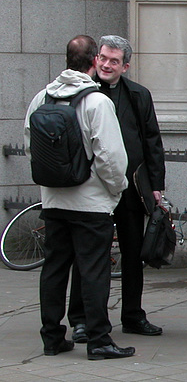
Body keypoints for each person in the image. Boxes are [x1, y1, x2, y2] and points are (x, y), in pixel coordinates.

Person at [24, 35, 135, 360]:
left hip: (54, 201)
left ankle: (52, 337)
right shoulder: (97, 102)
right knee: (93, 271)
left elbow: (32, 145)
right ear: (92, 63)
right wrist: (113, 192)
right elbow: (112, 158)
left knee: (54, 269)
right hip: (91, 204)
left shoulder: (42, 97)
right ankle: (100, 340)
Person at [68, 35, 166, 341]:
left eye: (114, 61)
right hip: (90, 187)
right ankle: (81, 318)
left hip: (130, 186)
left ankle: (133, 315)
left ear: (125, 66)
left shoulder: (138, 95)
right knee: (86, 254)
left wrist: (156, 185)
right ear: (94, 59)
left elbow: (152, 141)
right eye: (102, 58)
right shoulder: (82, 91)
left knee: (133, 251)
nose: (106, 65)